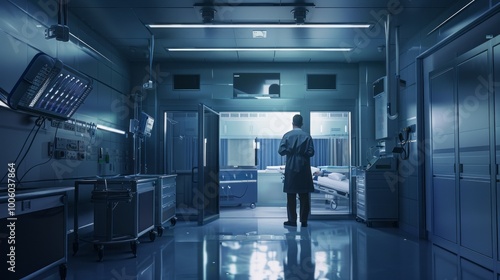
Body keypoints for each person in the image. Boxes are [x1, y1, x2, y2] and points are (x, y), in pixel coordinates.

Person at [278, 114, 315, 227]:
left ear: (292, 123)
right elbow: (311, 152)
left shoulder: (287, 136)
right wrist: (302, 152)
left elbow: (281, 151)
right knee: (304, 196)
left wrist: (291, 151)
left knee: (291, 196)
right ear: (302, 123)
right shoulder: (307, 136)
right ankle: (304, 221)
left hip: (291, 169)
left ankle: (292, 221)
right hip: (304, 169)